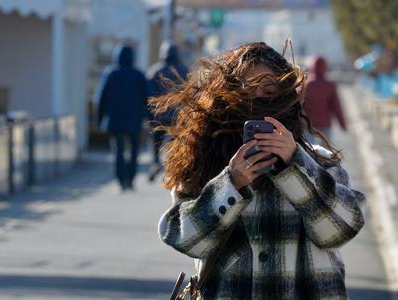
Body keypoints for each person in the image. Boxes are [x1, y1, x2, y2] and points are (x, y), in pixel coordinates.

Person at [152, 42, 366, 299]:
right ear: (226, 95)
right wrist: (230, 184)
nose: (259, 100)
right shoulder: (203, 163)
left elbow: (340, 231)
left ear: (285, 95)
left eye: (269, 89)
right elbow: (183, 238)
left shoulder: (321, 163)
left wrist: (295, 164)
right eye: (248, 91)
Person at [97, 44, 147, 190]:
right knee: (134, 150)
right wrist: (147, 117)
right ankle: (131, 178)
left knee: (118, 151)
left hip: (115, 119)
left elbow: (101, 97)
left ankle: (121, 179)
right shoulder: (138, 75)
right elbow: (147, 98)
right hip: (134, 119)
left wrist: (100, 118)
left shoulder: (110, 73)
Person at [146, 41, 189, 182]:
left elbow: (148, 96)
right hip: (178, 116)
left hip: (158, 116)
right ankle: (174, 169)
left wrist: (148, 114)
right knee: (176, 145)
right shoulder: (184, 70)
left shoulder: (154, 71)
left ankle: (155, 163)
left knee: (156, 143)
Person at [303, 56, 347, 144]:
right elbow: (336, 107)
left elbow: (300, 106)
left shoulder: (306, 85)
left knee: (310, 151)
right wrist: (342, 124)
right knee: (326, 153)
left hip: (309, 125)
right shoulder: (329, 86)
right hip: (325, 124)